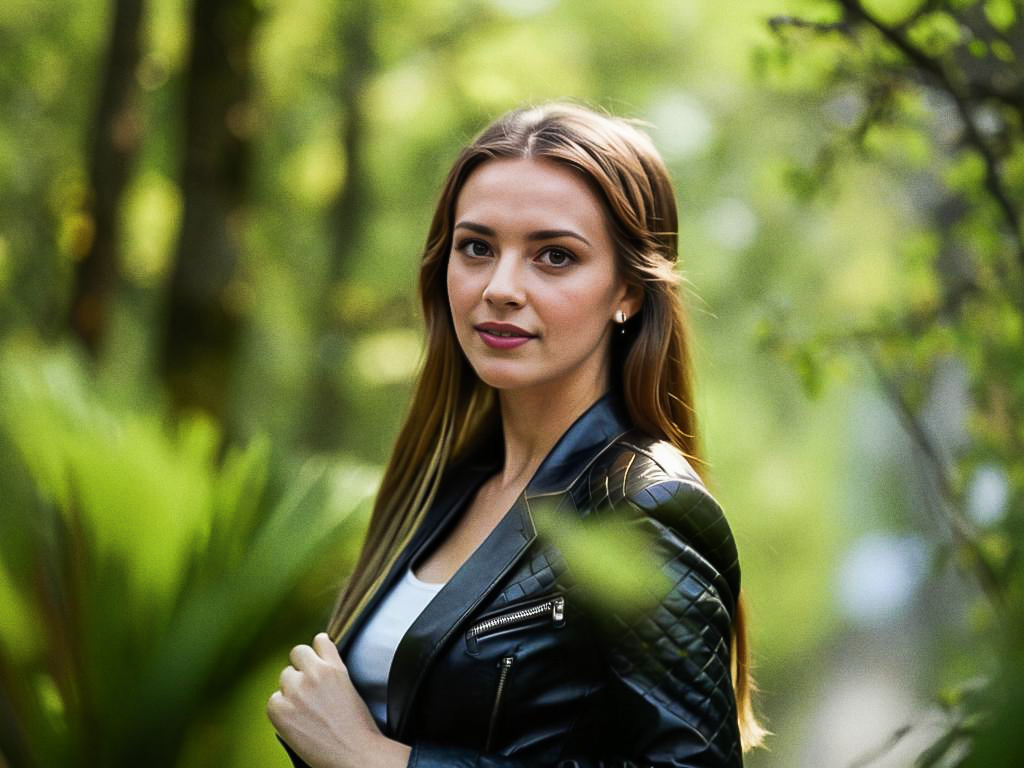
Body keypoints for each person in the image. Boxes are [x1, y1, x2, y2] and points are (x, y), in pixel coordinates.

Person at [267, 102, 765, 768]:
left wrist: (375, 761)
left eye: (554, 256)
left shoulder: (644, 507)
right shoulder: (447, 484)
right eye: (477, 247)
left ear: (629, 293)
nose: (500, 288)